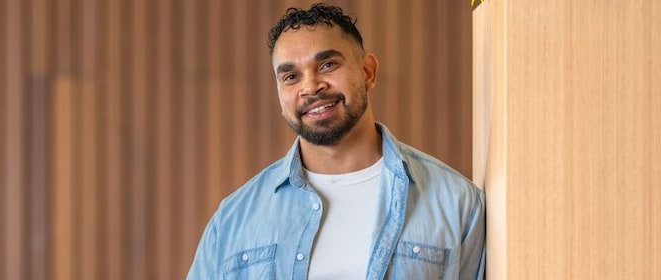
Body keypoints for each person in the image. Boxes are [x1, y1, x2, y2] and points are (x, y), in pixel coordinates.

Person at [187, 3, 485, 279]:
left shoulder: (457, 203)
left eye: (328, 65)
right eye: (291, 77)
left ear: (368, 72)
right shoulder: (232, 221)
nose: (311, 87)